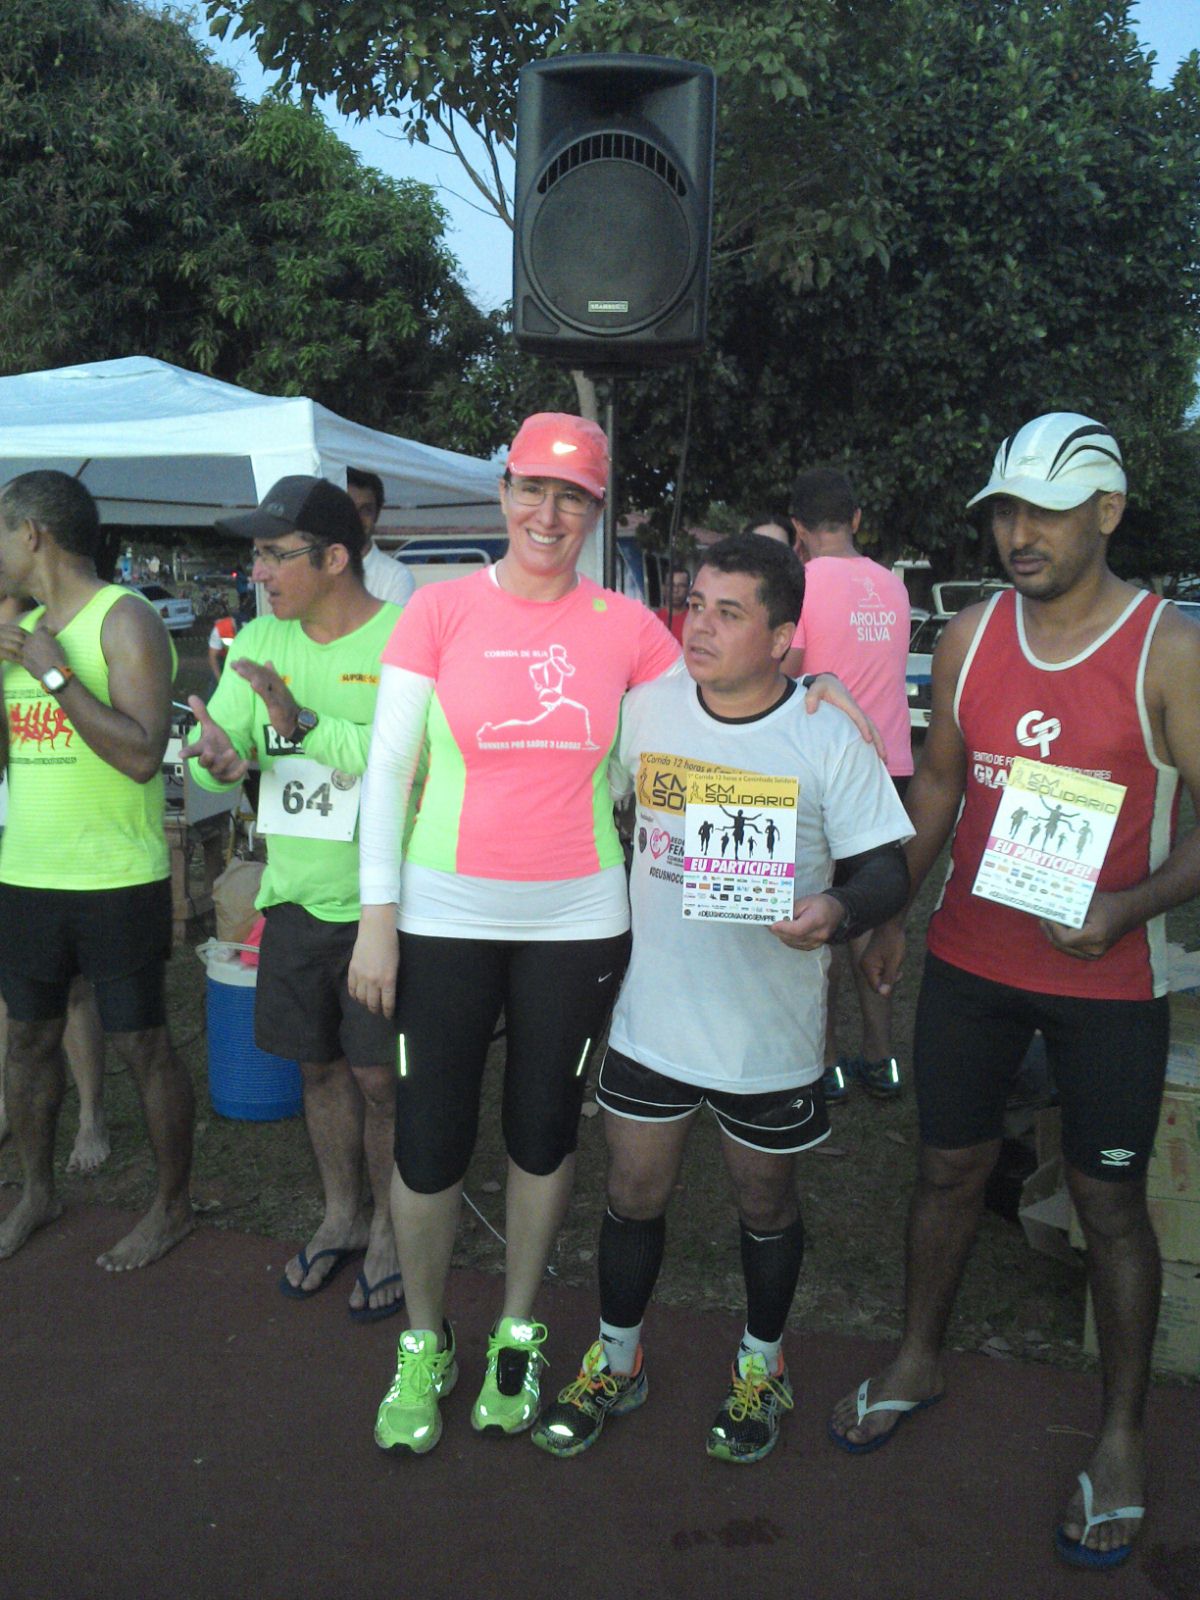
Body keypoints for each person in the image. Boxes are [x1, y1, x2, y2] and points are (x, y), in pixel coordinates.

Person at [349, 415, 879, 1456]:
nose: (548, 514)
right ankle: (424, 1339)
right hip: (444, 912)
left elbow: (729, 690)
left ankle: (516, 1333)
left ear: (595, 510)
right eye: (532, 490)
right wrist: (378, 920)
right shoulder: (438, 610)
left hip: (579, 919)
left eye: (573, 497)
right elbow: (389, 770)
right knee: (428, 1142)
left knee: (543, 1133)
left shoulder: (630, 628)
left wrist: (817, 686)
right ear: (504, 493)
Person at [826, 413, 1200, 1571]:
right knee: (947, 1166)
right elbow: (941, 786)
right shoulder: (972, 632)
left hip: (1109, 978)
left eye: (1045, 510)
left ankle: (1122, 1434)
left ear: (1108, 512)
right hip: (975, 964)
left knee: (1108, 1201)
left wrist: (1125, 909)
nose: (1017, 532)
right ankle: (918, 1356)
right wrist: (897, 906)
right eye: (1004, 511)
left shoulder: (1168, 649)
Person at [532, 536, 911, 1464]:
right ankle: (617, 1358)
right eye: (694, 604)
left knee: (764, 1203)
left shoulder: (825, 734)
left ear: (782, 639)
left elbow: (886, 869)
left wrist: (836, 910)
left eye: (728, 613)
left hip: (767, 1034)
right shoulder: (647, 710)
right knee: (631, 1192)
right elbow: (573, 791)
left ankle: (762, 1365)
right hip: (653, 1018)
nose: (698, 627)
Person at [183, 476, 405, 1322]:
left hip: (388, 907)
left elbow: (411, 756)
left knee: (379, 1077)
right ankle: (342, 1214)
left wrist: (303, 721)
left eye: (276, 554)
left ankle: (392, 1230)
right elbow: (228, 753)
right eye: (258, 554)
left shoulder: (402, 638)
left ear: (335, 557)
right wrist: (217, 758)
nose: (260, 572)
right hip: (298, 899)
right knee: (318, 1068)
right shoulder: (260, 640)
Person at [0, 471, 193, 1268]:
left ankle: (171, 1207)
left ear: (32, 534)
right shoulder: (20, 629)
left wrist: (54, 674)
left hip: (116, 877)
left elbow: (144, 754)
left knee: (140, 1044)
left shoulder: (125, 617)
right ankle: (37, 1193)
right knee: (25, 1041)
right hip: (28, 875)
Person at [787, 469, 913, 1105]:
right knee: (874, 914)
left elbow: (785, 674)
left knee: (823, 911)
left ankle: (827, 1061)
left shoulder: (801, 583)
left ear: (797, 528)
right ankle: (882, 1056)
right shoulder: (893, 584)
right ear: (857, 519)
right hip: (891, 766)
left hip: (827, 768)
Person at [346, 467, 416, 608]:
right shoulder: (316, 568)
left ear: (377, 514)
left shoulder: (395, 577)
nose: (356, 518)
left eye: (365, 510)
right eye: (348, 508)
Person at [653, 564, 691, 643]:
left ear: (689, 590)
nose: (676, 590)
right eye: (671, 585)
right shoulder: (653, 620)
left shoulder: (695, 620)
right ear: (663, 588)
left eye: (681, 585)